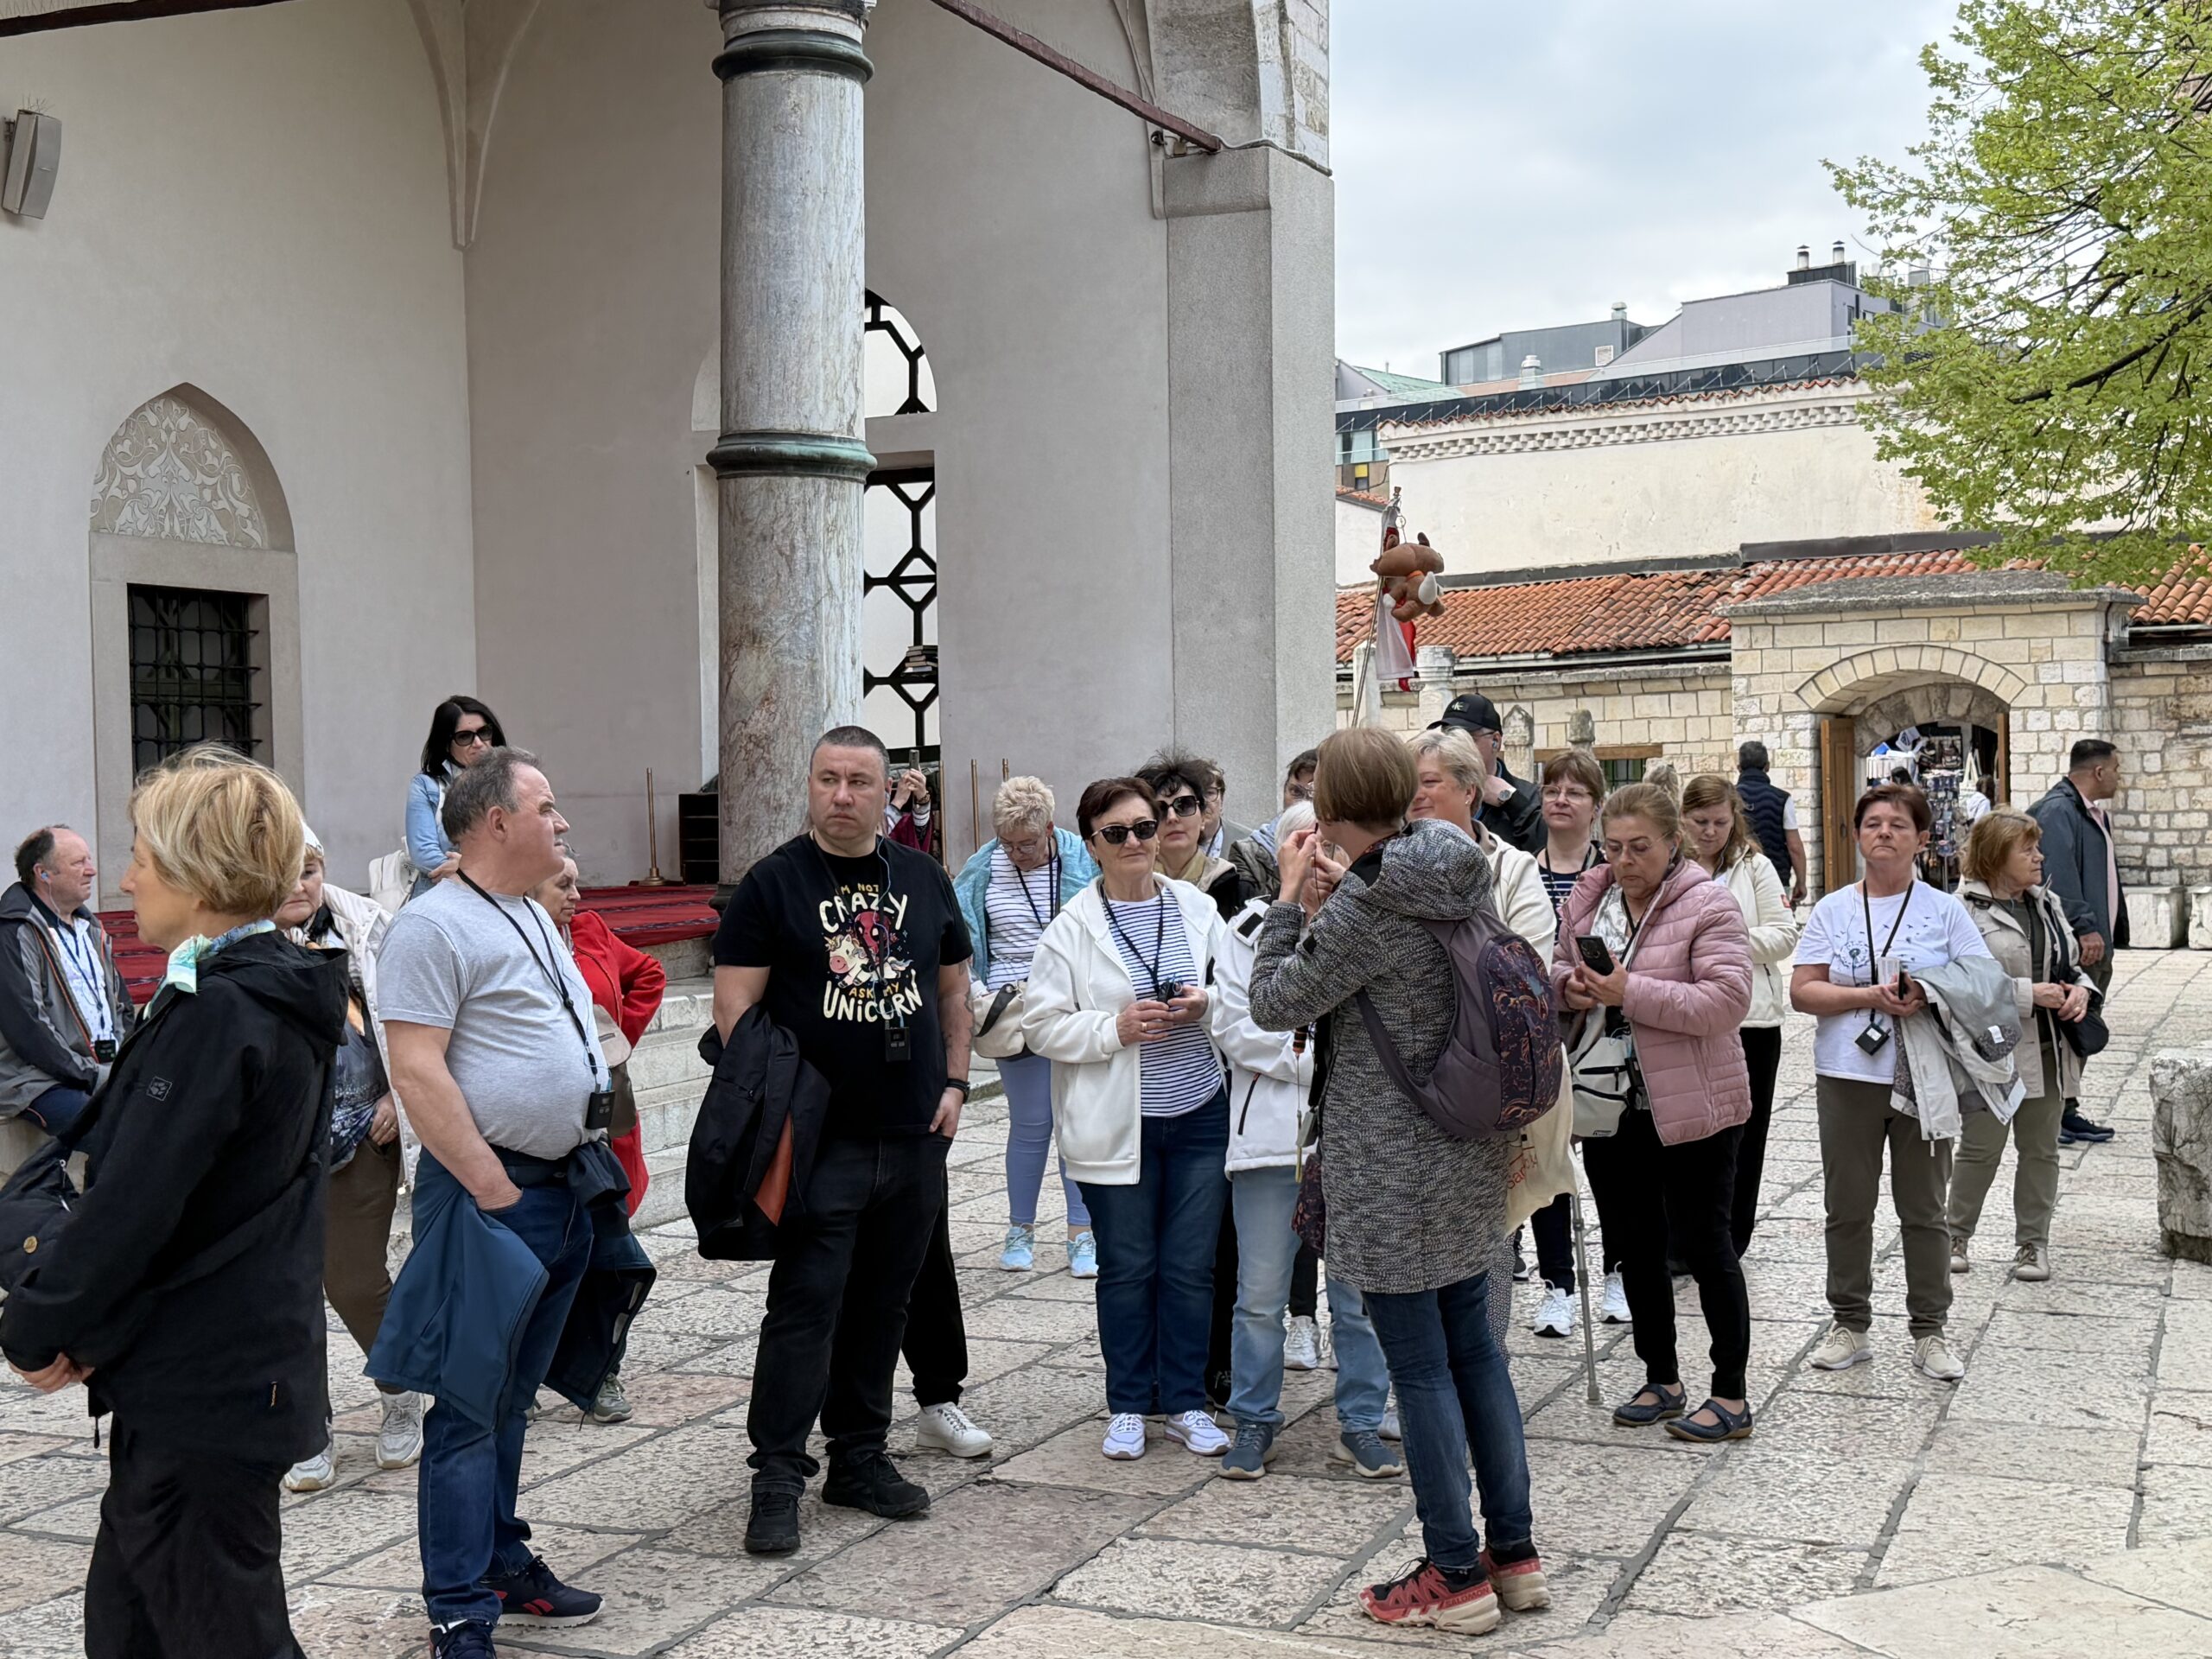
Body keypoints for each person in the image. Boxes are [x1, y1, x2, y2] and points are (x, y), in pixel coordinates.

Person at [1, 747, 347, 1659]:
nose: (125, 879)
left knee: (220, 1635)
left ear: (199, 874)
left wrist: (37, 1325)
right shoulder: (253, 991)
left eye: (143, 857)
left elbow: (135, 1203)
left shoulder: (227, 1011)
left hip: (208, 1387)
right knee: (131, 1629)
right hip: (204, 1372)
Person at [1249, 729, 1548, 1637]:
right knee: (1476, 1355)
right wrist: (1338, 898)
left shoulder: (1368, 905)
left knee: (1418, 1370)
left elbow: (1273, 1001)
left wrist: (1290, 899)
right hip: (1466, 1147)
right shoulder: (1454, 867)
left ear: (1331, 807)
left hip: (1389, 1165)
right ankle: (1514, 1557)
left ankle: (1453, 1573)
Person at [712, 727, 974, 1556]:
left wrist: (957, 1082)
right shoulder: (773, 883)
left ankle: (859, 1457)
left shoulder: (923, 877)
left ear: (886, 790)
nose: (842, 795)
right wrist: (781, 1113)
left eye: (859, 781)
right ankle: (777, 1477)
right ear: (810, 784)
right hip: (821, 1142)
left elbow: (953, 989)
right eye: (828, 778)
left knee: (885, 1304)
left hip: (913, 1134)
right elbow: (734, 1011)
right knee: (806, 1305)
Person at [375, 748, 614, 1649]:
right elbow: (416, 1068)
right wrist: (493, 1188)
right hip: (496, 1194)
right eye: (546, 807)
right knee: (471, 1406)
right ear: (496, 821)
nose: (562, 822)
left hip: (564, 1185)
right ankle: (459, 1606)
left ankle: (502, 1560)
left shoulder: (525, 911)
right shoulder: (432, 926)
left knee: (512, 1398)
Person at [1025, 777, 1231, 1461]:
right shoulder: (1071, 928)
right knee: (1128, 1266)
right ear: (1092, 845)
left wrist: (1206, 1006)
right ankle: (1129, 1404)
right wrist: (1112, 1028)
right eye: (1117, 833)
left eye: (1146, 827)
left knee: (1191, 1267)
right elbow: (1041, 1026)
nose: (1137, 842)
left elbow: (1240, 993)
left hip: (1199, 1111)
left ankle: (1185, 1400)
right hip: (1120, 1122)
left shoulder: (1198, 908)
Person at [1555, 784, 1757, 1442]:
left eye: (1639, 847)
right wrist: (1571, 988)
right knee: (1634, 1246)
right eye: (1612, 847)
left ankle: (1730, 1394)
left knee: (1706, 1246)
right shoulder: (1590, 897)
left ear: (1674, 843)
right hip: (1611, 1105)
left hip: (1695, 1104)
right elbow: (1556, 968)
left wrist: (1628, 991)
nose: (1624, 860)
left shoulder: (1709, 903)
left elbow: (1725, 1002)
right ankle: (1661, 1378)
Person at [1211, 800, 1401, 1482]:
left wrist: (1311, 1058)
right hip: (1268, 1140)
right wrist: (1320, 1063)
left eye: (1333, 847)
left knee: (1358, 1298)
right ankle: (1254, 1418)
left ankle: (1361, 1421)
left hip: (1351, 1141)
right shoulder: (1246, 931)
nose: (1321, 861)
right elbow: (1237, 1027)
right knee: (1260, 1295)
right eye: (1305, 846)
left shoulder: (1373, 929)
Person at [1792, 783, 1992, 1385]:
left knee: (1924, 1209)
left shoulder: (1944, 910)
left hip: (1923, 1075)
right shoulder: (1833, 909)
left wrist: (1926, 990)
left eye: (1899, 825)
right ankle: (1849, 1323)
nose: (1884, 832)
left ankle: (1930, 1331)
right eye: (1873, 823)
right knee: (1847, 1206)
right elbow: (1804, 990)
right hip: (1847, 1075)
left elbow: (1982, 982)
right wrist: (1868, 997)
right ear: (1857, 836)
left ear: (1923, 839)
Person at [1408, 729, 1575, 1341]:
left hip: (1489, 1075)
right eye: (1409, 784)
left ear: (1469, 792)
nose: (1415, 796)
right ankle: (1423, 1373)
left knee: (1490, 1231)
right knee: (1414, 1238)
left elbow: (1528, 969)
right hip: (1412, 1077)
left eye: (1429, 783)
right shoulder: (1388, 865)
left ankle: (1486, 1359)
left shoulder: (1511, 868)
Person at [278, 829, 423, 1493]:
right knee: (284, 1292)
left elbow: (411, 1016)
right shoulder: (229, 939)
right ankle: (308, 1427)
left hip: (359, 1129)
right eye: (284, 872)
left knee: (355, 1281)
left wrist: (398, 1093)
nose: (298, 884)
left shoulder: (366, 925)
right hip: (271, 1148)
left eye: (308, 870)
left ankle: (400, 1389)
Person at [534, 849, 665, 1424]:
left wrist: (615, 1040)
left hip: (606, 1118)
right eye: (563, 884)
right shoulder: (511, 942)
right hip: (539, 1122)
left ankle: (604, 1369)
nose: (577, 896)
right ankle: (527, 1369)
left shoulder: (589, 930)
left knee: (612, 1253)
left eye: (577, 883)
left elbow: (649, 974)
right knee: (539, 1254)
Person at [952, 775, 1099, 1275]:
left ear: (1049, 829)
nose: (1017, 854)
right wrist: (977, 991)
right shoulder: (982, 869)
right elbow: (963, 936)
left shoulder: (1082, 861)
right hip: (1010, 1010)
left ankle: (1082, 1232)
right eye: (1008, 844)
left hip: (1071, 1004)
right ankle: (1020, 1228)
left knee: (1075, 1122)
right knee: (1031, 1123)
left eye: (1028, 844)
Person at [1949, 810, 2096, 1282]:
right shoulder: (1961, 910)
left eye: (2037, 848)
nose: (2039, 857)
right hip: (1991, 1051)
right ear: (1996, 856)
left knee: (2041, 1150)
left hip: (2049, 1049)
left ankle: (2033, 1245)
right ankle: (1954, 1237)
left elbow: (2071, 966)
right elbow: (1956, 984)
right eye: (2027, 850)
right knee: (1980, 1148)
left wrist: (2081, 991)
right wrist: (2027, 995)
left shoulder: (2047, 903)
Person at [1680, 775, 1800, 1256]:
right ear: (1682, 819)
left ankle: (1732, 1237)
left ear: (1735, 821)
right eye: (1700, 822)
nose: (1710, 832)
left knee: (1746, 1134)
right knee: (1688, 1129)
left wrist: (1723, 942)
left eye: (1720, 823)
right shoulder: (1671, 866)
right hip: (1685, 1014)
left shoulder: (1755, 867)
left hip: (1750, 1019)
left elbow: (1784, 934)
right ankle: (1685, 1233)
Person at [1531, 749, 1628, 1325]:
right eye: (1552, 789)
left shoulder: (1612, 872)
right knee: (1548, 1159)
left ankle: (1618, 1272)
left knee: (1611, 1161)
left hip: (1600, 1032)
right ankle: (1557, 1284)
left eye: (1575, 791)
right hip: (1540, 1030)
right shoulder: (1522, 869)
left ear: (1596, 805)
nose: (1561, 800)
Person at [1, 825, 137, 1144]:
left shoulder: (90, 927)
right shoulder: (14, 930)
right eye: (78, 863)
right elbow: (29, 1028)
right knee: (119, 1136)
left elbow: (122, 1007)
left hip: (98, 1068)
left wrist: (125, 1062)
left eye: (89, 859)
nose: (91, 870)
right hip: (35, 1079)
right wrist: (93, 1075)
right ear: (43, 874)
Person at [2029, 739, 2126, 1145]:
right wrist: (2085, 926)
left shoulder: (2089, 812)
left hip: (2096, 940)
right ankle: (2054, 1114)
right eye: (2116, 769)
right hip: (2078, 943)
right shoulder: (2059, 811)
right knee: (2069, 1026)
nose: (2120, 777)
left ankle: (2066, 1111)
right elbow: (2059, 877)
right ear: (2099, 771)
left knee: (2080, 1027)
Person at [407, 696, 506, 899]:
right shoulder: (426, 786)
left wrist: (467, 868)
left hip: (501, 894)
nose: (478, 743)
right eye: (464, 737)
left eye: (484, 732)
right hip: (441, 894)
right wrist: (465, 871)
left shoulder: (513, 783)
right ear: (446, 743)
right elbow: (423, 853)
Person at [1140, 749, 1247, 918]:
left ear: (1203, 817)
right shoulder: (1129, 886)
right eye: (1160, 810)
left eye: (1184, 805)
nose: (1172, 817)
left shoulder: (1233, 885)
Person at [1430, 693, 1541, 852]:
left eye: (1467, 739)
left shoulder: (1529, 797)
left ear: (1495, 741)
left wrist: (1512, 802)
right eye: (1448, 738)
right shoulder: (1433, 794)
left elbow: (1547, 850)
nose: (1455, 747)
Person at [1226, 748, 1319, 899]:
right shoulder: (1248, 853)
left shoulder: (1340, 849)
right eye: (1296, 792)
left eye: (1314, 794)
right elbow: (1249, 911)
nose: (1302, 802)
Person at [1735, 740, 1808, 906]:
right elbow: (1794, 846)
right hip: (1776, 877)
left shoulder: (1728, 797)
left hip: (1737, 876)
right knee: (1777, 920)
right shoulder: (1782, 799)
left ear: (1739, 768)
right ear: (1767, 766)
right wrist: (1801, 882)